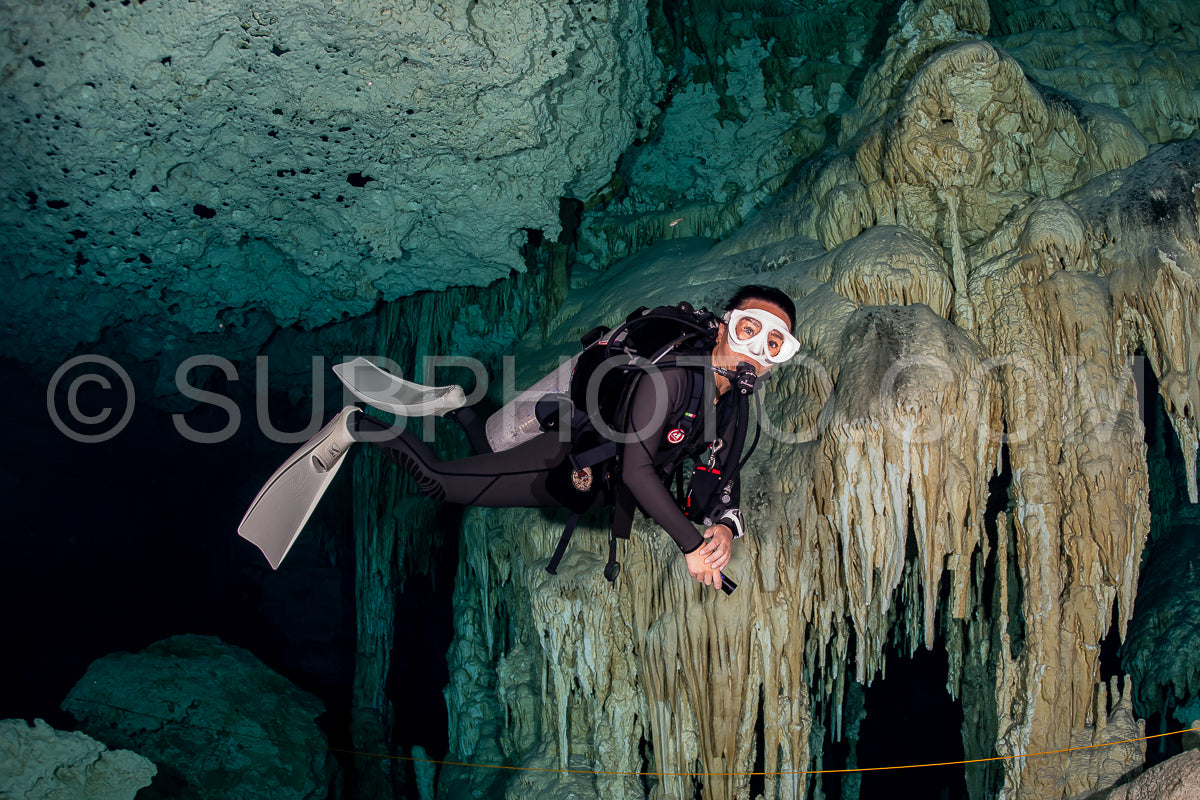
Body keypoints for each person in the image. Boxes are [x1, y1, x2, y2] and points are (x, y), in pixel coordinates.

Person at [239, 285, 798, 591]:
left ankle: (459, 404)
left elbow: (720, 475)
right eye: (751, 330)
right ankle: (358, 427)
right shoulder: (672, 378)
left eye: (775, 345)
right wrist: (691, 546)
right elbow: (636, 471)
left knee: (489, 449)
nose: (757, 350)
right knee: (437, 482)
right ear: (725, 326)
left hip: (579, 481)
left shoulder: (734, 400)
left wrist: (723, 525)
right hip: (569, 456)